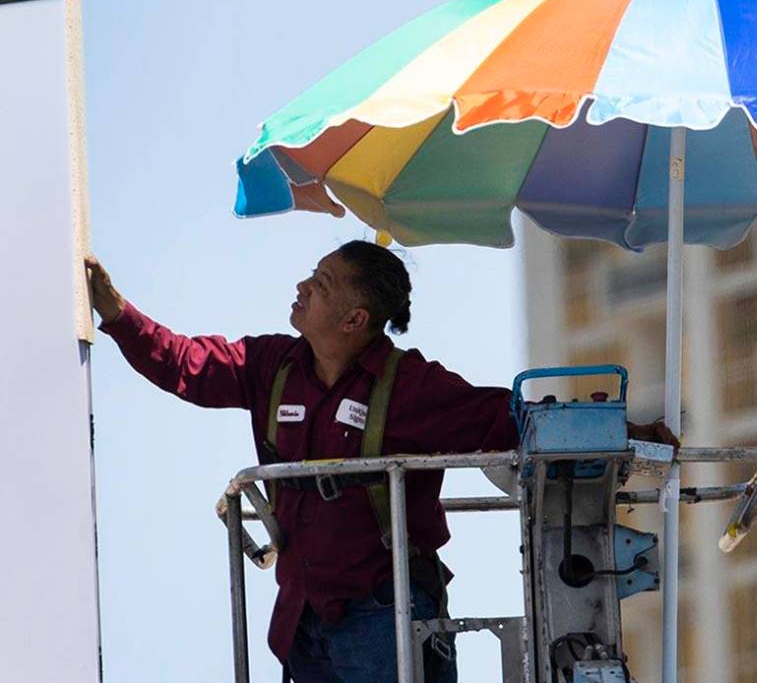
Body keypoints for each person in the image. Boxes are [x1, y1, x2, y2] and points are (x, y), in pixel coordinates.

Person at [86, 241, 675, 683]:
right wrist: (116, 313)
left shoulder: (410, 387)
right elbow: (187, 365)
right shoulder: (271, 366)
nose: (302, 286)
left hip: (383, 615)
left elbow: (510, 419)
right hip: (304, 619)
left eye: (321, 282)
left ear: (354, 319)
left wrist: (630, 436)